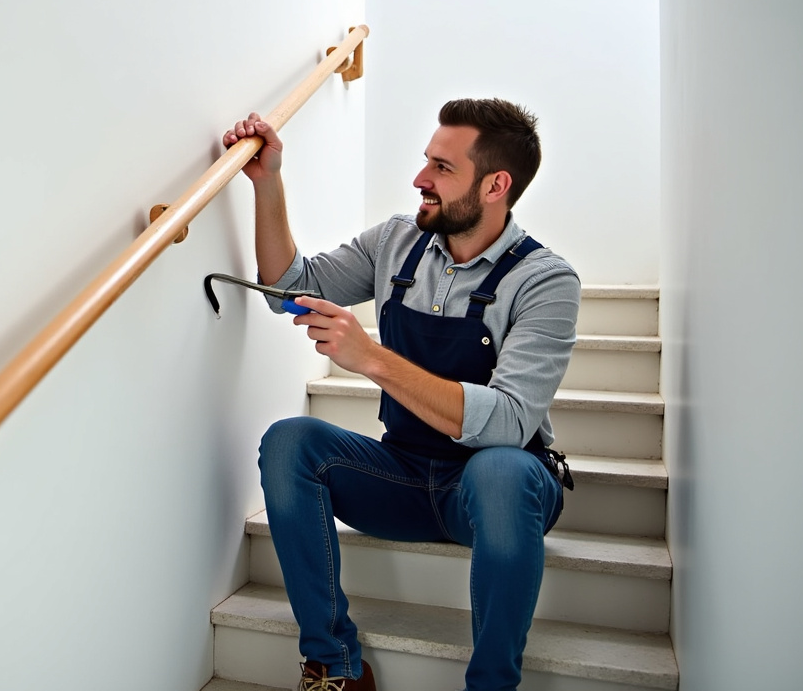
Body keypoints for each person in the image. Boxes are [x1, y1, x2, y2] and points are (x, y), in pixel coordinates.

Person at [222, 99, 580, 691]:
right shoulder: (396, 241)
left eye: (442, 167)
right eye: (426, 161)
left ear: (496, 185)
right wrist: (267, 181)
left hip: (495, 496)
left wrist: (370, 357)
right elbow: (287, 288)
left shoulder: (545, 281)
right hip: (407, 476)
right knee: (290, 442)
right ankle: (334, 665)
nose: (420, 178)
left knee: (501, 470)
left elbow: (509, 422)